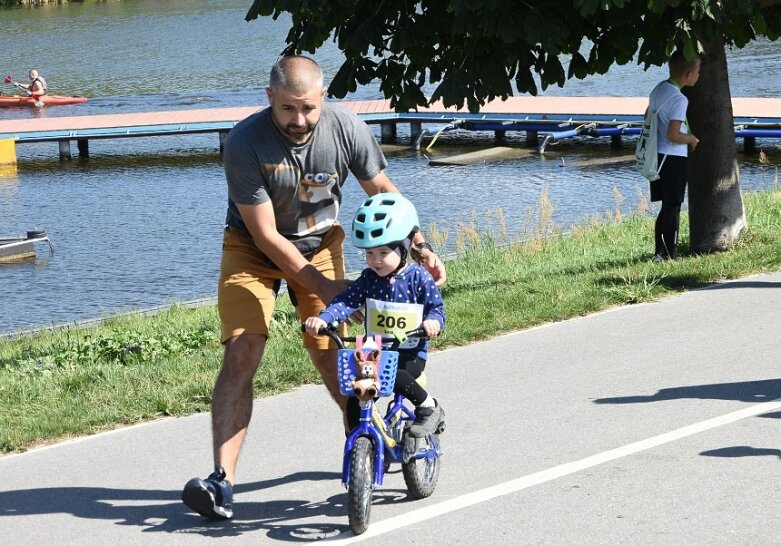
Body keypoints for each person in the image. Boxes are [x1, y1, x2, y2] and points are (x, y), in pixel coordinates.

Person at [181, 55, 446, 520]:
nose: (298, 120)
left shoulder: (345, 129)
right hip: (251, 250)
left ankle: (362, 440)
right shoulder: (245, 142)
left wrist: (420, 246)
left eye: (307, 108)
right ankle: (221, 483)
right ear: (269, 100)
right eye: (287, 109)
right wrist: (325, 286)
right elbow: (265, 235)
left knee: (330, 352)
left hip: (321, 241)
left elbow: (382, 189)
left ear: (323, 98)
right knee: (243, 349)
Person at [304, 192, 446, 436]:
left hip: (409, 351)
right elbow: (346, 301)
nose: (375, 261)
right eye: (369, 253)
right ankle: (359, 440)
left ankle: (428, 406)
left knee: (395, 376)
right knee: (352, 394)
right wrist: (325, 318)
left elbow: (436, 308)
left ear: (402, 248)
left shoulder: (418, 278)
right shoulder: (369, 279)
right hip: (374, 350)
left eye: (382, 253)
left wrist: (432, 322)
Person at [648, 50, 701, 262]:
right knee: (674, 206)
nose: (699, 75)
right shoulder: (679, 99)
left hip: (657, 156)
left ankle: (659, 253)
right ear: (688, 74)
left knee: (666, 206)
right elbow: (673, 134)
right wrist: (691, 139)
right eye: (698, 72)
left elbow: (649, 116)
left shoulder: (659, 89)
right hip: (673, 157)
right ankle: (670, 254)